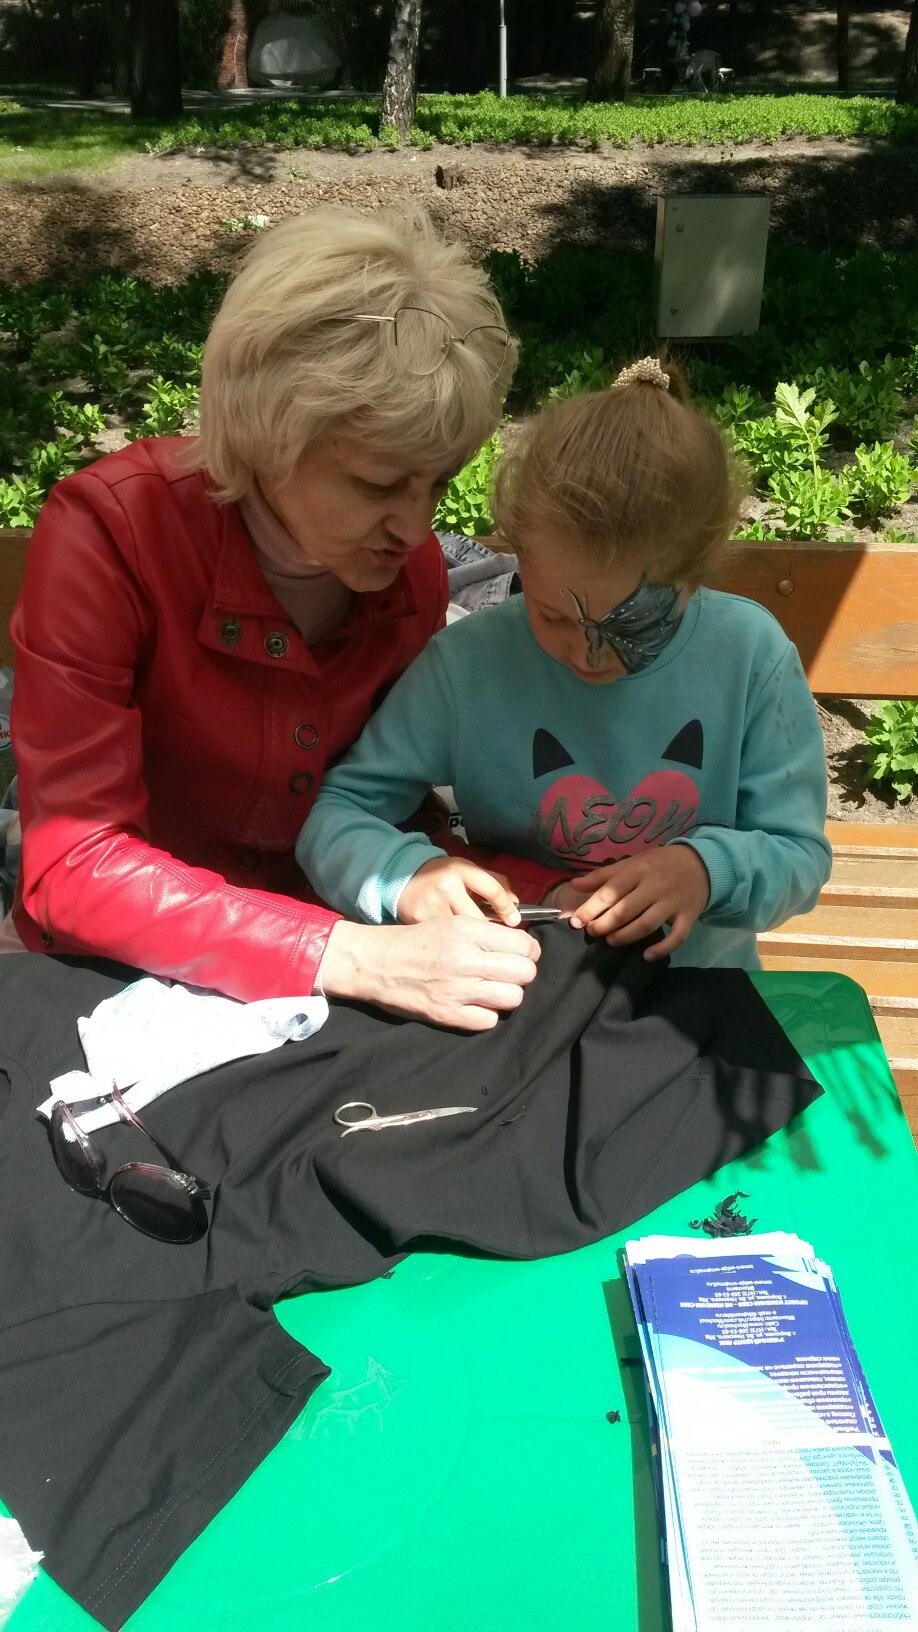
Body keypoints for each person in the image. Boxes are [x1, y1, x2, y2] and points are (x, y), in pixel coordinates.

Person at [9, 206, 547, 1029]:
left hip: (331, 973)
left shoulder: (409, 570)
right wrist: (351, 955)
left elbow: (383, 795)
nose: (416, 528)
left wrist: (428, 873)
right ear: (265, 434)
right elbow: (74, 863)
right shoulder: (110, 536)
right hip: (114, 983)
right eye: (377, 484)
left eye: (440, 481)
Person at [297, 356, 832, 969]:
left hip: (698, 989)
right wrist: (404, 875)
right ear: (520, 560)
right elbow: (335, 812)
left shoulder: (747, 655)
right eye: (553, 617)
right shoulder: (471, 664)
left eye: (634, 624)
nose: (588, 653)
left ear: (697, 575)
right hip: (520, 983)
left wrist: (707, 871)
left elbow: (799, 858)